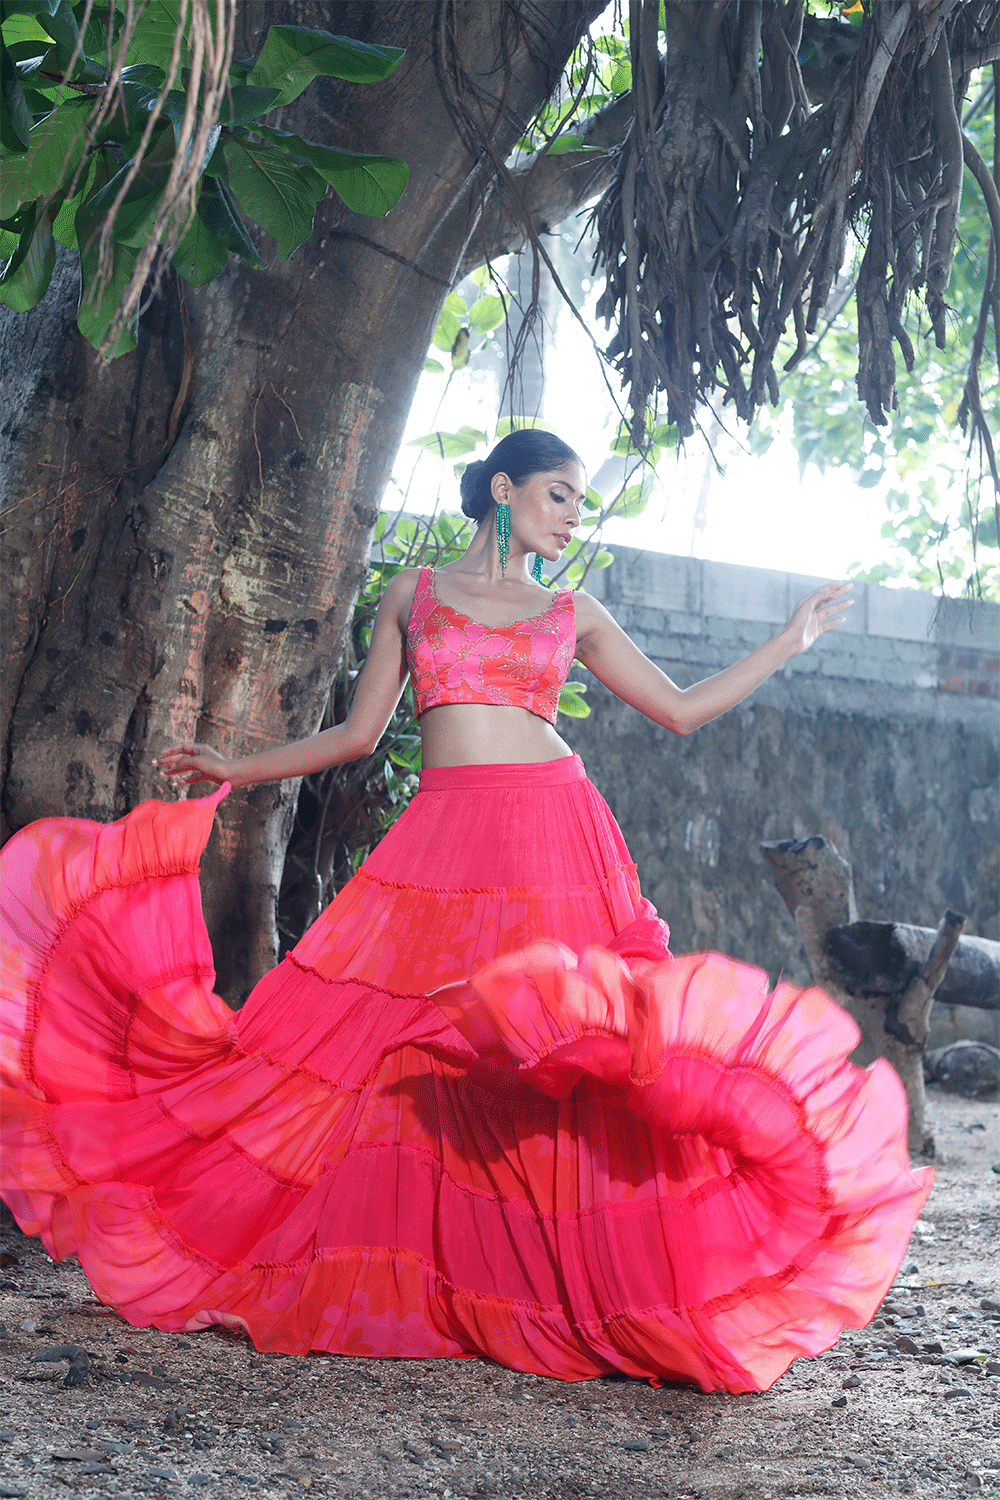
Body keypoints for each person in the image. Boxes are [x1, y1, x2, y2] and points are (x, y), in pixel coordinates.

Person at [0, 430, 930, 1394]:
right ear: (504, 488)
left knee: (561, 1065)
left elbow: (683, 710)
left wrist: (792, 638)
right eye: (559, 494)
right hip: (444, 840)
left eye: (579, 501)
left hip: (554, 841)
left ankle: (595, 1285)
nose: (573, 515)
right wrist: (240, 768)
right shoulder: (415, 593)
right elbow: (361, 733)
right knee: (384, 1043)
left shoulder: (574, 610)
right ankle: (435, 1270)